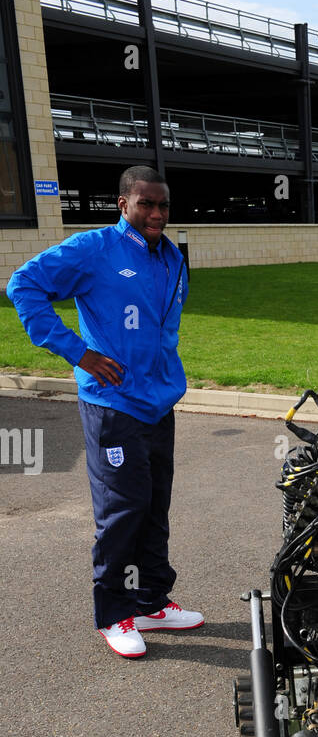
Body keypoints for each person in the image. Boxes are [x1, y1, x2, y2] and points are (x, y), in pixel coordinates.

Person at [7, 165, 203, 658]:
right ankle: (114, 613)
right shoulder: (94, 250)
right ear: (123, 204)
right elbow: (23, 285)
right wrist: (79, 353)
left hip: (158, 403)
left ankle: (150, 602)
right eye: (146, 204)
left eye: (163, 205)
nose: (156, 213)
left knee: (155, 505)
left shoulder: (173, 257)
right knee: (123, 510)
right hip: (112, 405)